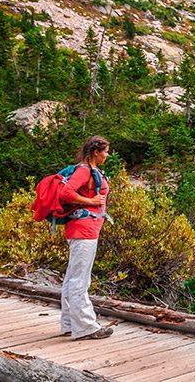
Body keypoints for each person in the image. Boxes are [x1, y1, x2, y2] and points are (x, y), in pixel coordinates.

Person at [58, 135, 113, 340]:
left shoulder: (90, 170)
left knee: (73, 276)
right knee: (80, 278)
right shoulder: (84, 170)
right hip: (84, 229)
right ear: (95, 152)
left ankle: (69, 324)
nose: (107, 155)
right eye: (105, 151)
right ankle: (85, 326)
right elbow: (66, 193)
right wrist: (90, 201)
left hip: (82, 228)